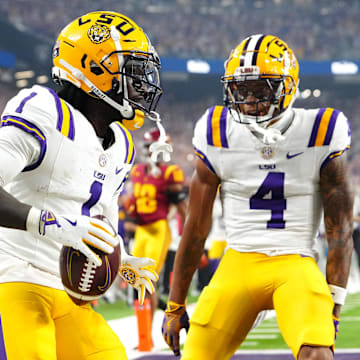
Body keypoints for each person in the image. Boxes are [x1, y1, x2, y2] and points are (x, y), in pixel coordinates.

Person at [162, 34, 354, 360]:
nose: (249, 99)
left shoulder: (322, 130)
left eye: (261, 89)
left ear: (287, 87)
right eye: (241, 89)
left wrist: (334, 302)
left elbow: (340, 228)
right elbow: (195, 228)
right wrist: (175, 303)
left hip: (295, 261)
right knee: (197, 356)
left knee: (317, 353)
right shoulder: (215, 130)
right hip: (238, 263)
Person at [0, 11, 166, 360]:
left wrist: (120, 257)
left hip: (69, 292)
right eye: (131, 73)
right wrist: (48, 223)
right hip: (15, 276)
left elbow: (98, 219)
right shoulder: (43, 111)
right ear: (93, 71)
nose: (141, 86)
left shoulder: (122, 144)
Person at [126, 127, 187, 347]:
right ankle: (144, 332)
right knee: (136, 281)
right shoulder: (138, 171)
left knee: (147, 282)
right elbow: (133, 201)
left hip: (158, 229)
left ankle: (147, 336)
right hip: (141, 231)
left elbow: (182, 204)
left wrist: (188, 236)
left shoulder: (170, 173)